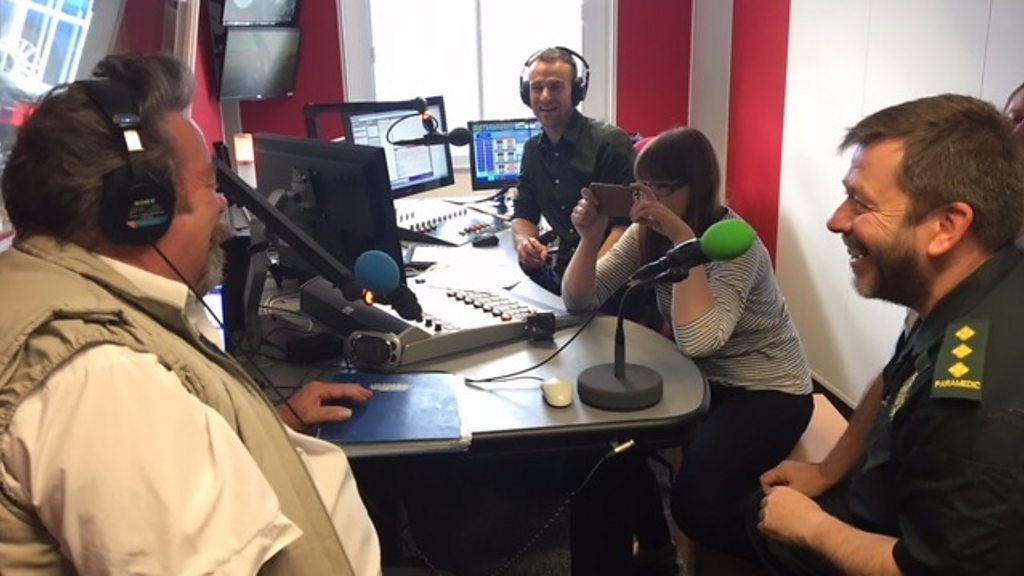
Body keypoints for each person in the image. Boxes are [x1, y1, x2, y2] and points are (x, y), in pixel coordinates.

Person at [0, 53, 381, 575]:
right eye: (208, 186)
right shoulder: (105, 381)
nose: (222, 205)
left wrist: (267, 425)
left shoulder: (50, 295)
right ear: (141, 210)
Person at [751, 93, 1024, 575]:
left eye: (862, 203)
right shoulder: (965, 290)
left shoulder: (976, 410)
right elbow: (896, 377)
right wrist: (826, 471)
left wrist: (813, 528)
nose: (837, 220)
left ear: (946, 227)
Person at [561, 127, 814, 564]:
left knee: (696, 506)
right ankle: (655, 547)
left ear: (699, 187)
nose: (649, 200)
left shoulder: (735, 243)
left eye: (663, 188)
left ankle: (816, 557)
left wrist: (685, 244)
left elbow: (700, 340)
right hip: (700, 379)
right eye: (643, 187)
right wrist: (590, 237)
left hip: (767, 389)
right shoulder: (645, 233)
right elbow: (581, 299)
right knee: (606, 450)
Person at [511, 46, 636, 294]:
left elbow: (625, 228)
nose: (545, 96)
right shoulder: (532, 150)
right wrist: (525, 243)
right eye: (537, 88)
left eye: (555, 87)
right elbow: (524, 214)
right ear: (526, 94)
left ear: (576, 92)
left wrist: (585, 283)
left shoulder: (610, 144)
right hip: (564, 274)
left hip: (609, 280)